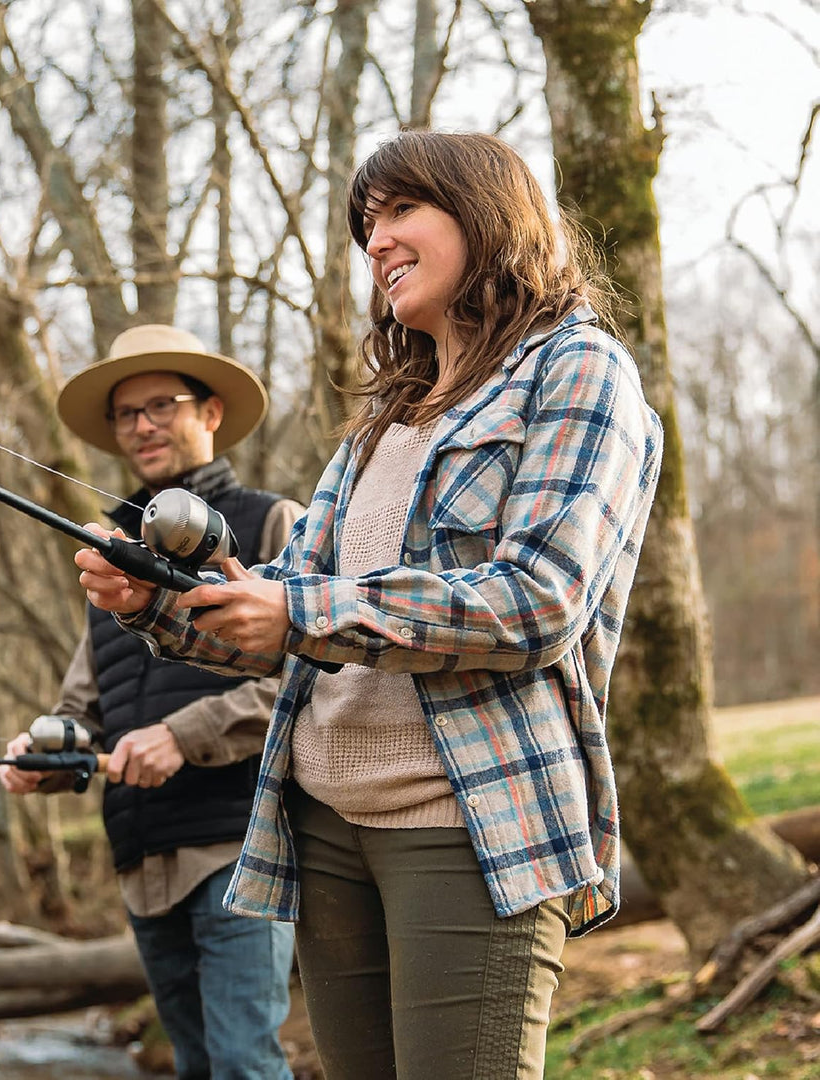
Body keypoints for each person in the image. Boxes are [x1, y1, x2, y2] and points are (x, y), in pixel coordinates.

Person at [73, 132, 664, 1080]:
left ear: (486, 215)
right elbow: (280, 607)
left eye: (400, 212)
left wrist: (303, 612)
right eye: (366, 226)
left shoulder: (578, 369)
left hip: (468, 820)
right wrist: (154, 605)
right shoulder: (385, 418)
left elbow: (537, 601)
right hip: (321, 825)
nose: (375, 241)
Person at [0, 324, 302, 1080]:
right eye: (126, 414)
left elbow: (315, 679)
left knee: (244, 1065)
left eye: (161, 405)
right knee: (193, 1066)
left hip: (242, 849)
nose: (141, 426)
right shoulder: (109, 558)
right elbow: (84, 708)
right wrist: (47, 754)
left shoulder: (272, 523)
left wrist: (183, 734)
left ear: (211, 413)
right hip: (142, 862)